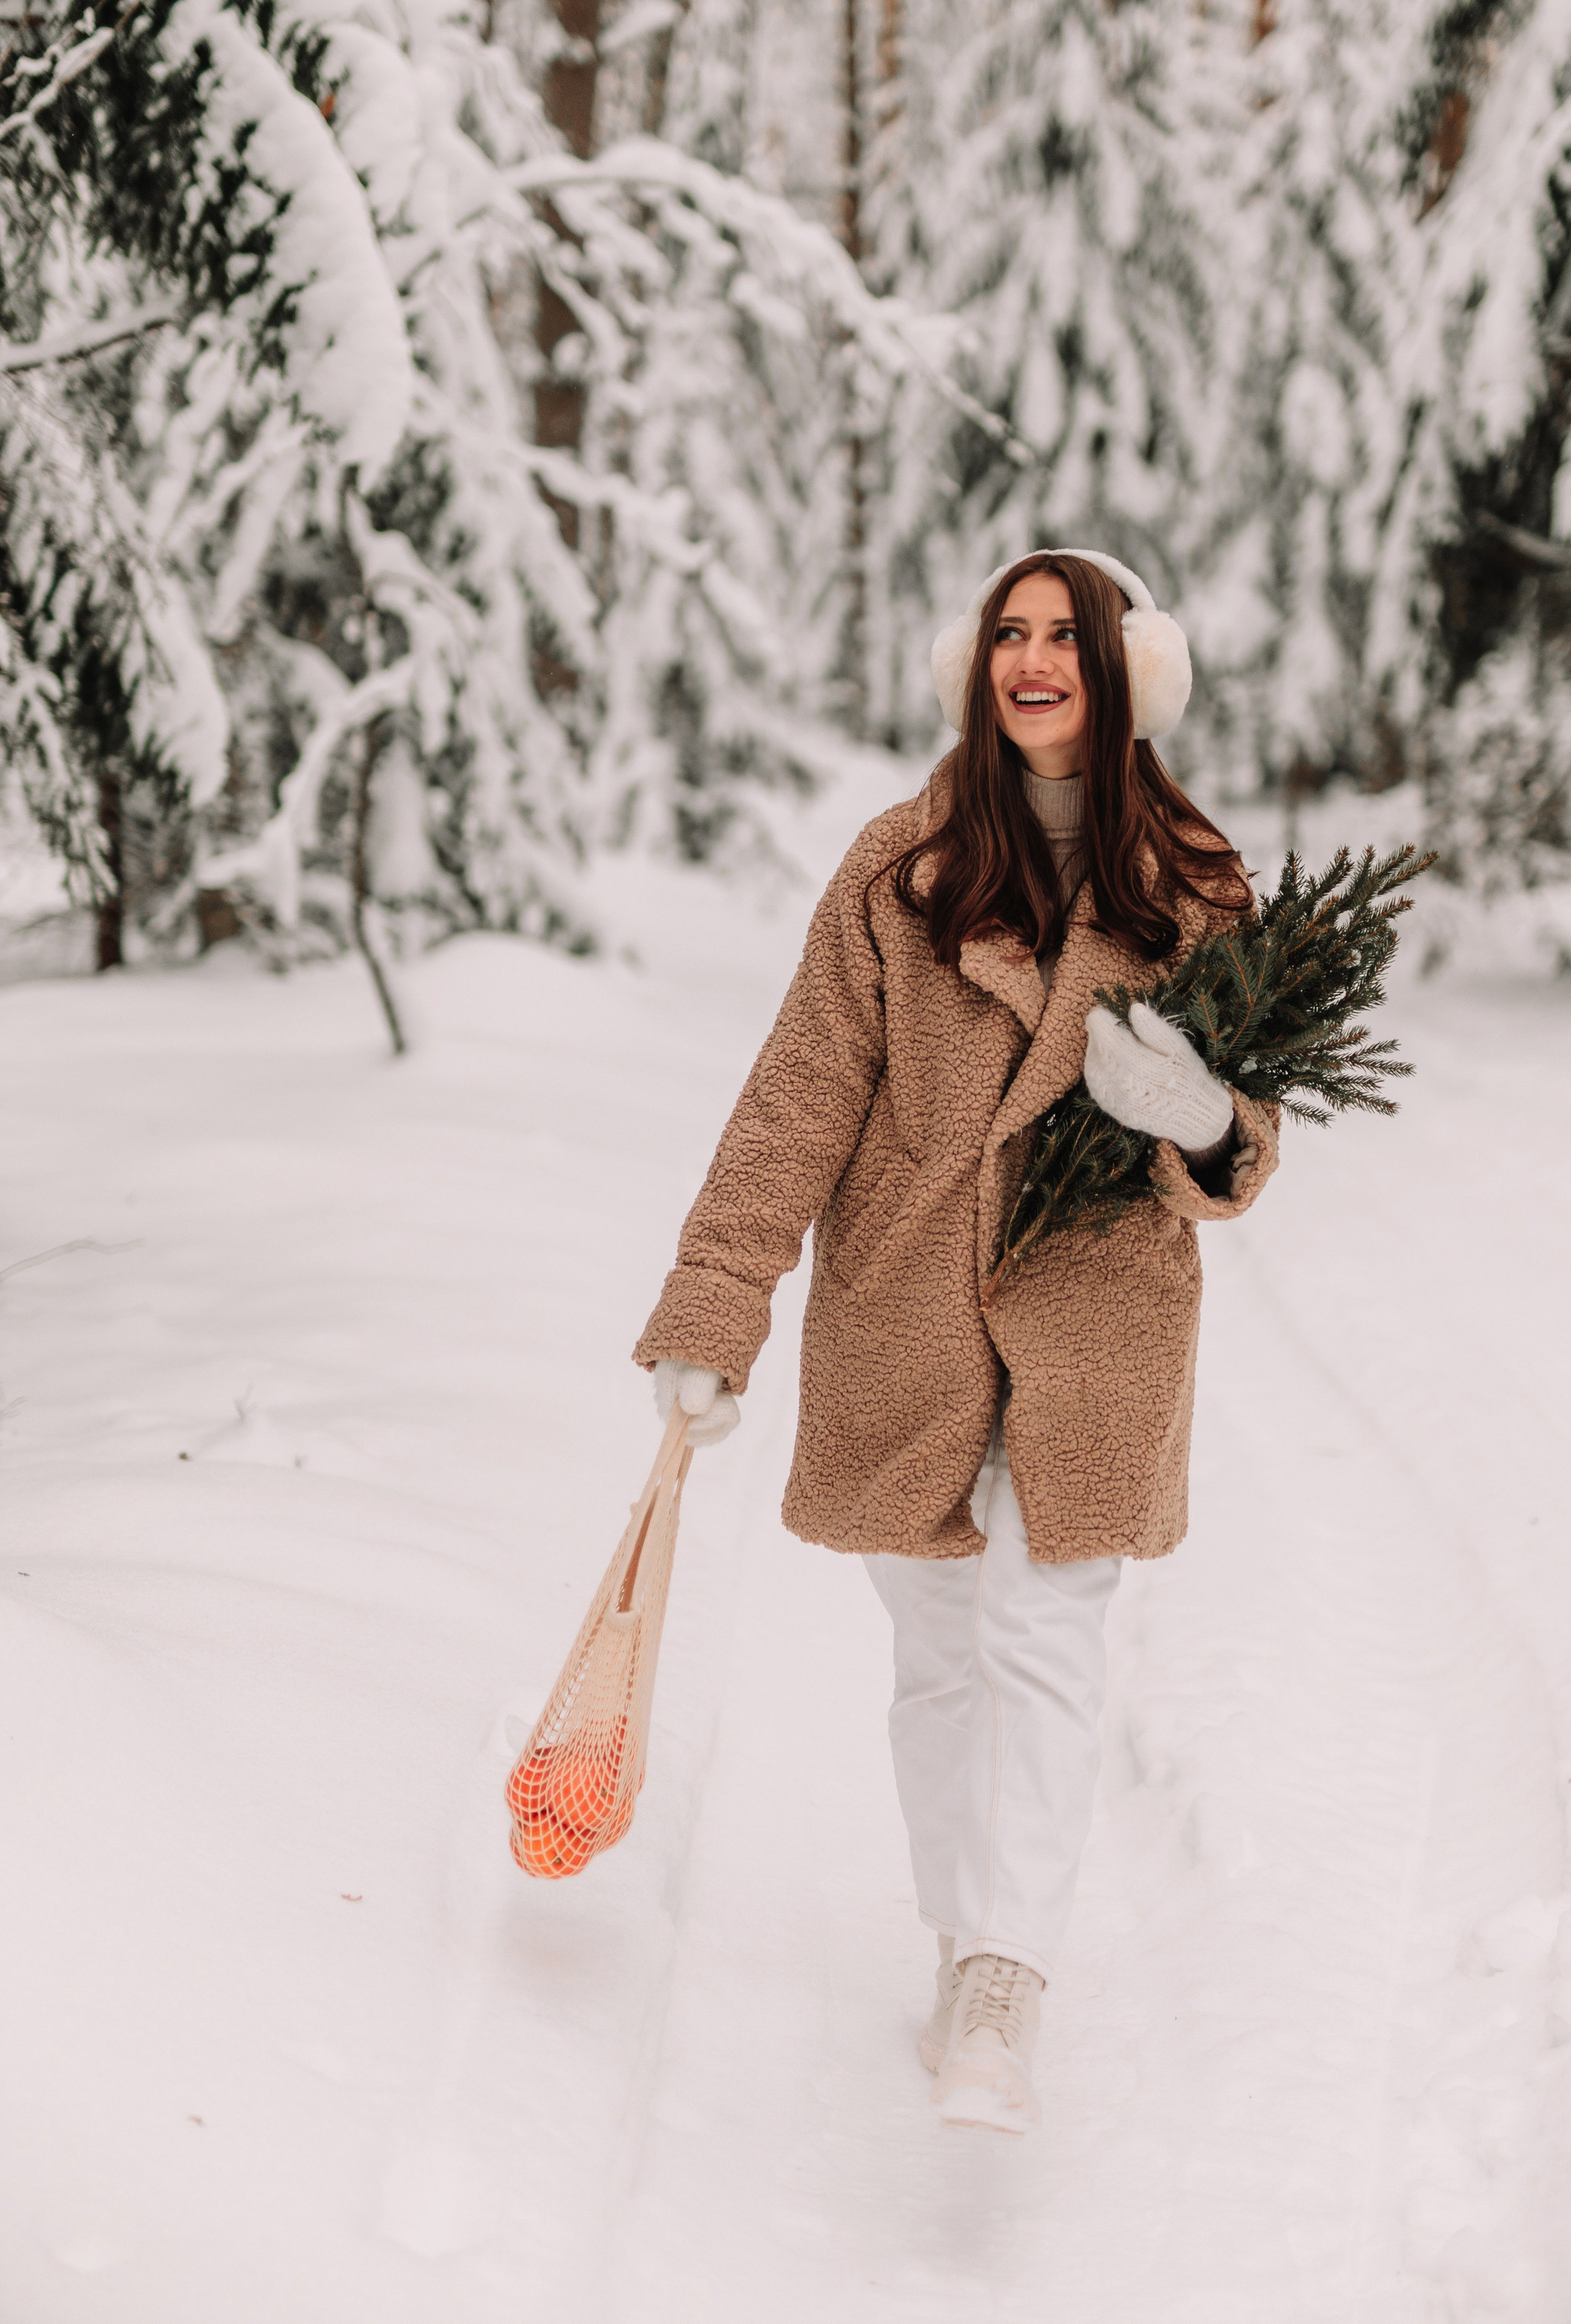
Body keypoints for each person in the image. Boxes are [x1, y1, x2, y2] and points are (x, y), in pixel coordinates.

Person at [634, 549, 1280, 2134]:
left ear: (1129, 669)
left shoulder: (1198, 890)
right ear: (974, 664)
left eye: (1067, 635)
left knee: (1044, 1637)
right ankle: (956, 1935)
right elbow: (798, 1096)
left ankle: (1008, 1969)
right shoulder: (896, 868)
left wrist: (1198, 1118)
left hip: (1096, 1319)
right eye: (1010, 633)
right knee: (938, 1660)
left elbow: (1248, 1141)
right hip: (907, 1313)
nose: (1034, 659)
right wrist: (717, 1304)